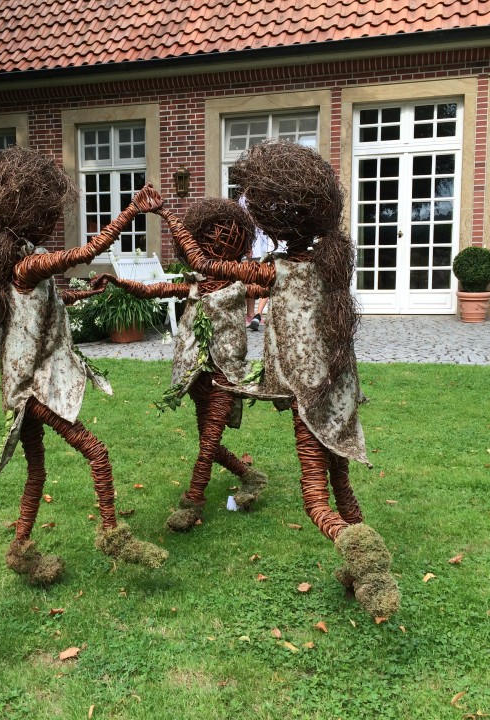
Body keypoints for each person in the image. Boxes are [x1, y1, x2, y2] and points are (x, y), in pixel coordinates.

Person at [158, 141, 400, 619]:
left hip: (306, 394)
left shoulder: (278, 271)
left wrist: (166, 212)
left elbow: (206, 266)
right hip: (338, 388)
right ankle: (362, 568)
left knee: (316, 499)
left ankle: (367, 566)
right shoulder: (334, 260)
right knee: (341, 482)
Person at [0, 146, 167, 586]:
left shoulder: (20, 266)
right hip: (32, 390)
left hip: (23, 387)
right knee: (96, 452)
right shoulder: (29, 264)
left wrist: (91, 295)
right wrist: (133, 208)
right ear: (34, 212)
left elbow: (51, 304)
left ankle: (20, 549)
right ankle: (113, 533)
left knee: (37, 471)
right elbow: (88, 249)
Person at [91, 198, 276, 531]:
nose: (218, 241)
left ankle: (193, 502)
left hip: (224, 373)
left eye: (226, 236)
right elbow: (155, 289)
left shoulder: (239, 285)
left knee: (207, 444)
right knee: (209, 440)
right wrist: (118, 282)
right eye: (211, 236)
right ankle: (250, 475)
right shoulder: (193, 284)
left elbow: (273, 285)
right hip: (195, 372)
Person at [240, 194, 286, 331]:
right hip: (257, 244)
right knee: (253, 278)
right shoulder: (246, 199)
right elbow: (244, 223)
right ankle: (253, 314)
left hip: (268, 243)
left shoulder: (272, 194)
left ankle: (255, 314)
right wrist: (247, 244)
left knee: (264, 278)